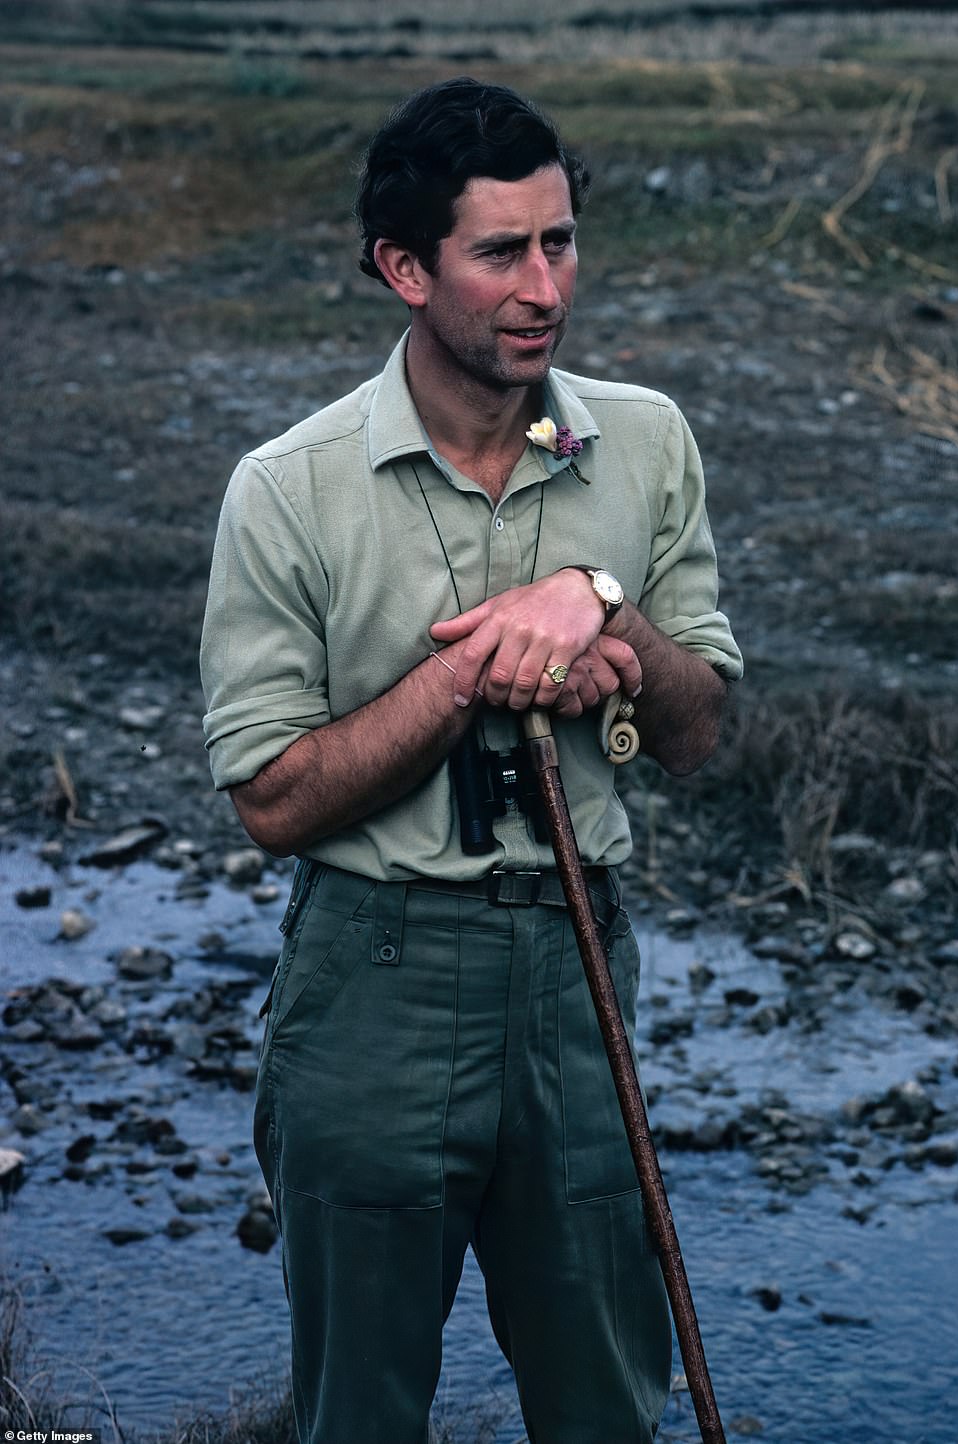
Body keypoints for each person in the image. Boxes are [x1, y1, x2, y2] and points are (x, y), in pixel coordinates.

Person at [200, 77, 742, 1444]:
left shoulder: (647, 442)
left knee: (608, 1404)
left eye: (558, 242)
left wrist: (604, 610)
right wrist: (464, 672)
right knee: (359, 1411)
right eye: (498, 251)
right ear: (402, 267)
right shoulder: (289, 486)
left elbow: (696, 732)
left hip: (576, 968)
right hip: (372, 982)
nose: (542, 284)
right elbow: (270, 801)